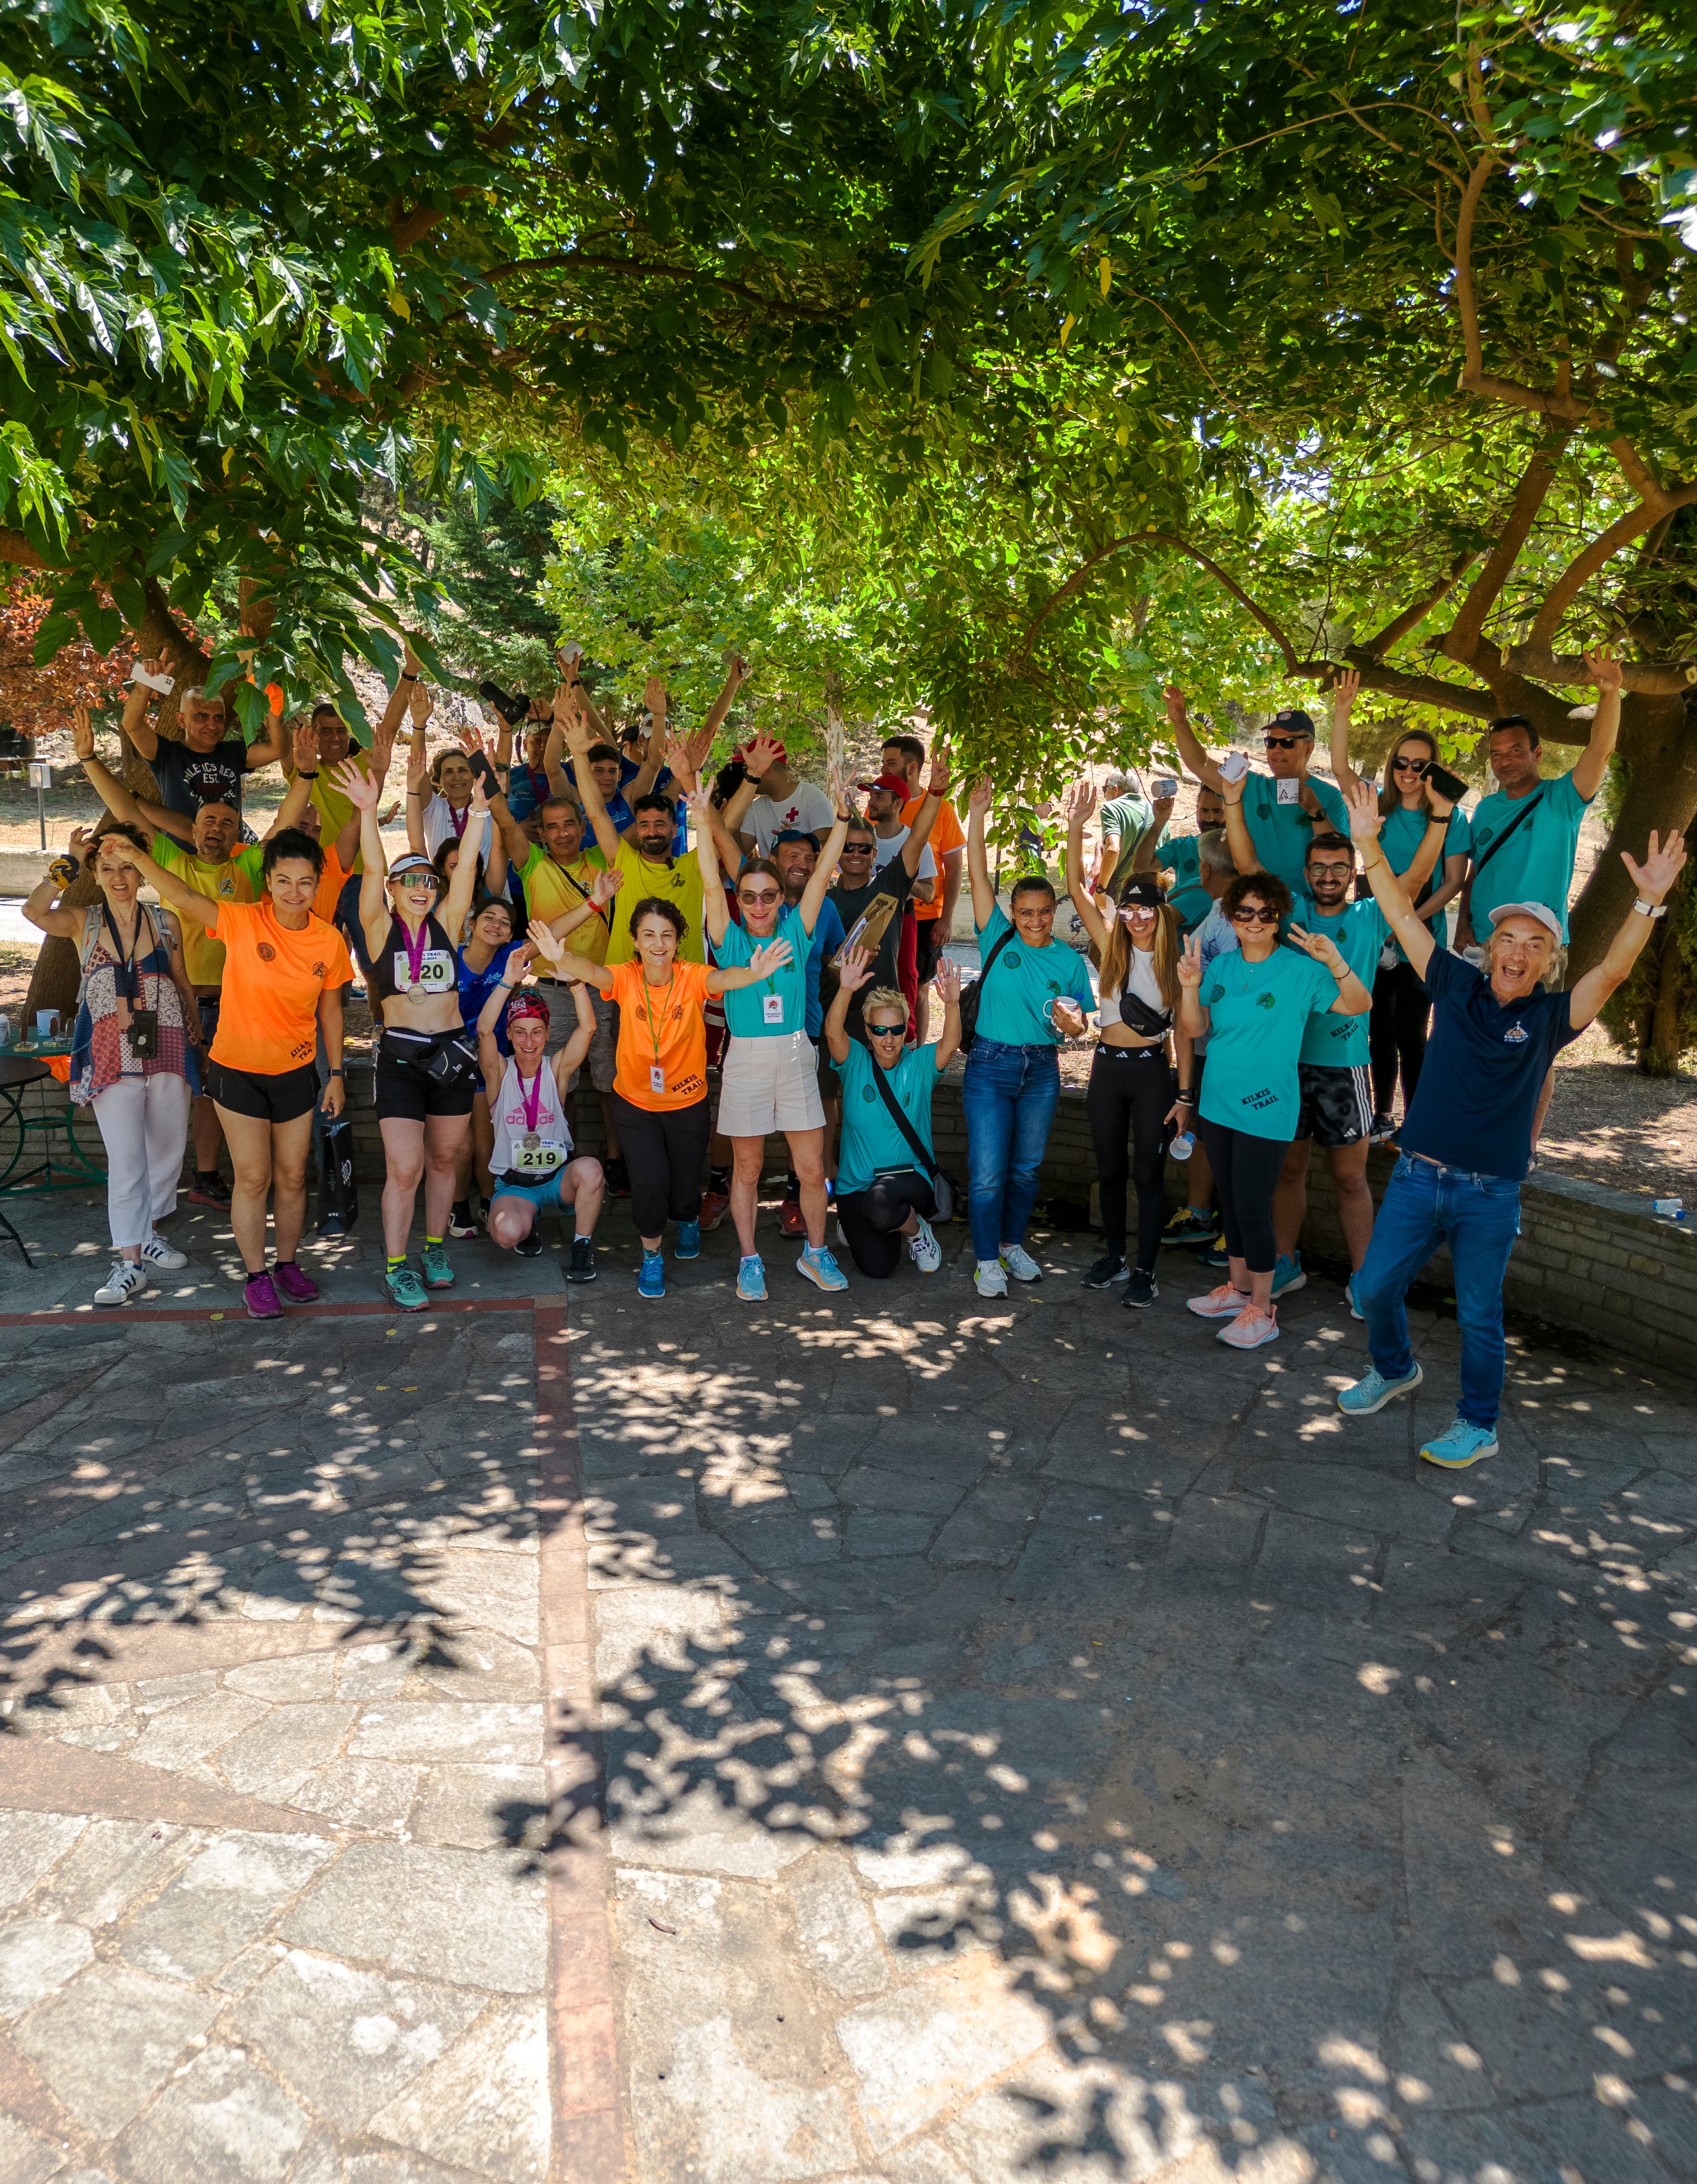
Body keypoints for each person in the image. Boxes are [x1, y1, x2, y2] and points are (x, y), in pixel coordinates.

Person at [1336, 778, 1684, 1467]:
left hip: (1489, 1193)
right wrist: (1369, 845)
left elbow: (1613, 972)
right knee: (1372, 1287)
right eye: (1507, 939)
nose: (1516, 952)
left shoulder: (1551, 1017)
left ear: (1549, 960)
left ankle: (1478, 1424)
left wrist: (1647, 901)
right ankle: (1396, 1367)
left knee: (1479, 1316)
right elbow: (1402, 916)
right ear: (1490, 947)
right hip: (1417, 1176)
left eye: (1533, 943)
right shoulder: (1456, 984)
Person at [73, 710, 340, 1212]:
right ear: (192, 830)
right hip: (179, 1001)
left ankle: (229, 1179)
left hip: (240, 1007)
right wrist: (88, 758)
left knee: (226, 1095)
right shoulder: (172, 863)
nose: (217, 828)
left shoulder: (251, 865)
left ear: (239, 833)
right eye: (209, 821)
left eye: (227, 822)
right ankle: (190, 1184)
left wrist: (305, 774)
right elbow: (126, 809)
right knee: (189, 1095)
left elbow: (285, 819)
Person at [106, 828, 349, 1320]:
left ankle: (287, 1265)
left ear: (316, 884)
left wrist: (338, 1073)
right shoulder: (242, 920)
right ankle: (257, 1277)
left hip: (296, 1071)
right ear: (268, 882)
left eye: (305, 882)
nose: (295, 892)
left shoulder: (328, 939)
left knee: (292, 1177)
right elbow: (183, 895)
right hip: (237, 1071)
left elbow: (331, 1010)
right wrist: (138, 858)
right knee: (254, 1177)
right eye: (284, 881)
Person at [1222, 775, 1448, 1301]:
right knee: (1288, 1173)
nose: (1328, 876)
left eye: (1339, 868)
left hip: (1344, 1067)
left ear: (1353, 873)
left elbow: (1416, 877)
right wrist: (1232, 801)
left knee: (1350, 1178)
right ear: (1306, 874)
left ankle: (1365, 1278)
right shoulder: (1290, 914)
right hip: (1286, 1066)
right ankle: (1284, 1264)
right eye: (1319, 868)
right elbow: (1247, 864)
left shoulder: (1370, 917)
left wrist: (1438, 818)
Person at [526, 894, 795, 1299]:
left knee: (684, 1188)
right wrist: (559, 957)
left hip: (687, 1104)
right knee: (650, 1185)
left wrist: (753, 973)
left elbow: (723, 980)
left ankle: (687, 1219)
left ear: (678, 941)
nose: (657, 943)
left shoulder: (692, 976)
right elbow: (593, 972)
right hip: (635, 1106)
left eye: (666, 935)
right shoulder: (626, 977)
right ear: (635, 941)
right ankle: (651, 1255)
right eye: (648, 935)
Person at [1175, 869, 1372, 1348]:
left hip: (1266, 1108)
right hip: (1217, 1102)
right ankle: (1238, 1288)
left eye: (1266, 913)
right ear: (1231, 917)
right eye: (1245, 911)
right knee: (1230, 1200)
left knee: (1251, 1206)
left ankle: (1262, 1310)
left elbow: (1358, 1005)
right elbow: (1193, 1027)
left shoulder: (1301, 971)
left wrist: (1335, 962)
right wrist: (1189, 986)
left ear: (1278, 917)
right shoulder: (1219, 967)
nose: (1255, 920)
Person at [23, 824, 200, 1305]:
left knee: (167, 1151)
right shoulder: (84, 922)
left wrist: (197, 1038)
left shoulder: (165, 922)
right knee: (127, 1161)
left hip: (168, 1050)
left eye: (127, 867)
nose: (119, 878)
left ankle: (149, 1233)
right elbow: (34, 912)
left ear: (141, 871)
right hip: (109, 1058)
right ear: (96, 875)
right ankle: (129, 1263)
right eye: (108, 869)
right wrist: (67, 864)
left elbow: (182, 981)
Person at [337, 759, 490, 1309]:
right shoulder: (380, 927)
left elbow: (467, 867)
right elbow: (372, 868)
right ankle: (397, 1267)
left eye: (429, 881)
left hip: (451, 1054)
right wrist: (367, 811)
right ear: (394, 890)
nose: (422, 888)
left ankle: (435, 1250)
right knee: (406, 1167)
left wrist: (478, 814)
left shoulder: (447, 924)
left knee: (445, 1161)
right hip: (401, 1058)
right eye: (411, 881)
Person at [699, 776, 854, 1299]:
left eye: (768, 896)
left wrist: (842, 819)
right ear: (739, 901)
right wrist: (701, 819)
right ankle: (750, 1260)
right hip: (745, 1059)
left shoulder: (796, 931)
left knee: (810, 1168)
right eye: (749, 897)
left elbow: (822, 874)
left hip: (794, 1053)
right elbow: (708, 882)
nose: (759, 905)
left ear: (779, 898)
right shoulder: (728, 940)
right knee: (746, 1168)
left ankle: (816, 1252)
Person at [961, 778, 1096, 1299]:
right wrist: (977, 814)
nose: (1035, 921)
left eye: (1043, 912)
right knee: (987, 1173)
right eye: (1025, 912)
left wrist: (1072, 1025)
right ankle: (986, 1259)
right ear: (1011, 912)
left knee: (1025, 1170)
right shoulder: (996, 937)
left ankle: (1011, 1244)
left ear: (1053, 912)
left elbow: (1081, 1025)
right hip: (989, 1066)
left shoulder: (1068, 961)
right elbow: (977, 873)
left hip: (1041, 1068)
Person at [1327, 669, 1473, 1138]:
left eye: (1420, 766)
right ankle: (1381, 1117)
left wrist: (1406, 923)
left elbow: (1452, 882)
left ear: (1432, 772)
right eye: (1401, 763)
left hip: (1420, 935)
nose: (1408, 773)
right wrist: (1343, 711)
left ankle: (1418, 1121)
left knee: (1412, 1034)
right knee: (1378, 1030)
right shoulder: (1374, 804)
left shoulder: (1450, 817)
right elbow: (1339, 768)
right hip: (1372, 932)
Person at [1064, 783, 1186, 1307]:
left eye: (1146, 910)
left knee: (1147, 1176)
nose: (1136, 918)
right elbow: (1076, 887)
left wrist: (1185, 1095)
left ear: (1161, 912)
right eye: (1129, 909)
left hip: (1150, 1073)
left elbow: (1184, 1031)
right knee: (1110, 1171)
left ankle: (1145, 1270)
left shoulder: (1176, 959)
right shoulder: (1110, 943)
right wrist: (1076, 826)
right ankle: (1115, 1257)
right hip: (1106, 1069)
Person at [1455, 649, 1621, 950]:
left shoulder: (1562, 800)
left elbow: (1600, 750)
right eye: (1496, 754)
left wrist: (1610, 693)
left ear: (1538, 753)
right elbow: (1476, 871)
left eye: (1516, 751)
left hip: (1538, 949)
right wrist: (1463, 924)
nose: (1505, 761)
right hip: (1483, 943)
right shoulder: (1486, 808)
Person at [825, 947, 961, 1278]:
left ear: (905, 1031)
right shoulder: (855, 1062)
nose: (889, 1039)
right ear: (868, 1032)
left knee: (880, 1204)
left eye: (897, 1030)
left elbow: (950, 1044)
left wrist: (952, 1003)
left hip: (910, 1178)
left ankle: (916, 1231)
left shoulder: (919, 1065)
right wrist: (845, 989)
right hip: (857, 1185)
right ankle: (866, 1222)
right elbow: (832, 1032)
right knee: (878, 1268)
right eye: (880, 1030)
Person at [472, 938, 604, 1276]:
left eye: (536, 1032)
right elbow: (484, 1030)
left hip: (558, 1178)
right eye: (520, 1033)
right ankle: (525, 1223)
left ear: (547, 1033)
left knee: (591, 1171)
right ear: (510, 1035)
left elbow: (588, 1028)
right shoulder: (499, 1072)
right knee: (506, 1233)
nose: (529, 1042)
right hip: (516, 1184)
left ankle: (582, 1247)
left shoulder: (556, 1069)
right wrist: (507, 981)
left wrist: (575, 984)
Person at [1164, 681, 1349, 896]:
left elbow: (1340, 856)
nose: (1277, 749)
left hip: (1306, 906)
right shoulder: (1248, 785)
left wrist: (1315, 810)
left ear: (1309, 749)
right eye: (1271, 742)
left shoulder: (1329, 796)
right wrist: (1180, 721)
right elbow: (1201, 764)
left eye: (1288, 742)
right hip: (1255, 906)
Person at [120, 659, 287, 823]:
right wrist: (146, 681)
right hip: (182, 842)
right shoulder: (167, 754)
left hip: (230, 842)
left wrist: (268, 692)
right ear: (182, 720)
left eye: (218, 718)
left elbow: (278, 750)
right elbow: (132, 724)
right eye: (202, 717)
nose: (212, 726)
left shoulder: (234, 752)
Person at [882, 730, 966, 1045]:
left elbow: (955, 869)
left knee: (918, 989)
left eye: (890, 763)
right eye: (883, 763)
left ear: (913, 767)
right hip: (883, 913)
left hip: (926, 915)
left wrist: (947, 918)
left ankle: (917, 1053)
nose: (884, 769)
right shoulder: (879, 803)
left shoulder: (943, 810)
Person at [451, 892, 522, 1234]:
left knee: (486, 1144)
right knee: (461, 1147)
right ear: (472, 923)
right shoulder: (449, 958)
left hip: (490, 1063)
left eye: (505, 923)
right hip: (450, 1064)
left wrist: (595, 902)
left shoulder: (509, 958)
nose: (496, 925)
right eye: (489, 918)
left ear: (509, 936)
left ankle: (489, 1202)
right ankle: (456, 1206)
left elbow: (551, 934)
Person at [733, 734, 835, 853]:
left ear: (765, 769)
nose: (746, 776)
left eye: (747, 769)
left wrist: (796, 841)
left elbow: (827, 851)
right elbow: (739, 854)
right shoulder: (756, 807)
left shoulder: (812, 797)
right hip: (769, 867)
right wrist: (730, 822)